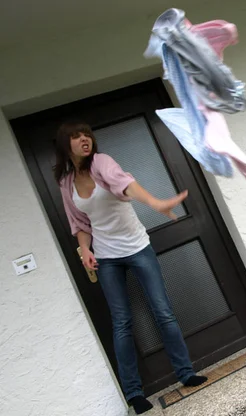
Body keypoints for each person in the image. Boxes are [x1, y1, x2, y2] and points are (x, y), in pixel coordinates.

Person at [54, 122, 207, 415]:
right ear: (65, 144)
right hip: (107, 256)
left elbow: (125, 183)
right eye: (76, 136)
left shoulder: (102, 162)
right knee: (121, 323)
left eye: (86, 134)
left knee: (162, 311)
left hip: (137, 248)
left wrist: (156, 203)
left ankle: (185, 373)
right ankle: (134, 393)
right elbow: (80, 223)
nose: (84, 139)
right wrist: (85, 249)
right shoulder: (66, 182)